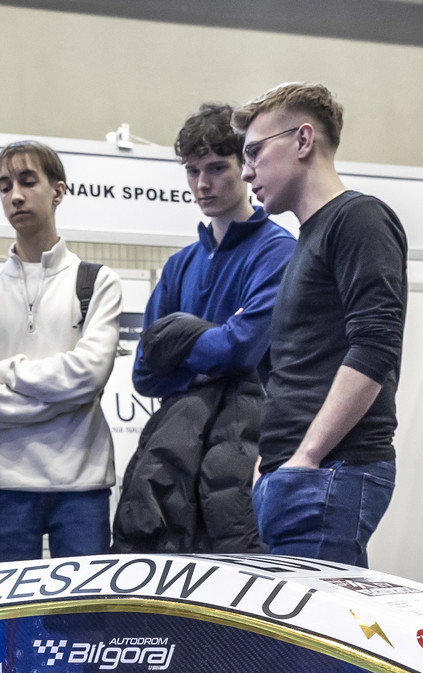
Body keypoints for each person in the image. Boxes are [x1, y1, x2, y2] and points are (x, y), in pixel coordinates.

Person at [235, 82, 407, 566]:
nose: (246, 171)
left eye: (255, 152)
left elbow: (376, 343)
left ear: (303, 140)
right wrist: (271, 464)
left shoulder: (358, 219)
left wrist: (306, 457)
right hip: (301, 476)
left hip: (327, 474)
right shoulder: (307, 241)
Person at [113, 103, 296, 554]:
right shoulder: (179, 266)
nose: (202, 184)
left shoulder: (277, 251)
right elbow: (144, 373)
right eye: (193, 171)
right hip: (178, 455)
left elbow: (241, 349)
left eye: (216, 168)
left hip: (248, 448)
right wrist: (207, 358)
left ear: (246, 167)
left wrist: (181, 347)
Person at [0, 141, 122, 563]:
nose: (15, 195)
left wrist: (6, 371)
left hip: (82, 489)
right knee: (2, 609)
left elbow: (88, 375)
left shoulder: (97, 283)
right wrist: (64, 402)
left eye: (28, 182)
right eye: (4, 186)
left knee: (86, 607)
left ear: (58, 191)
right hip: (2, 491)